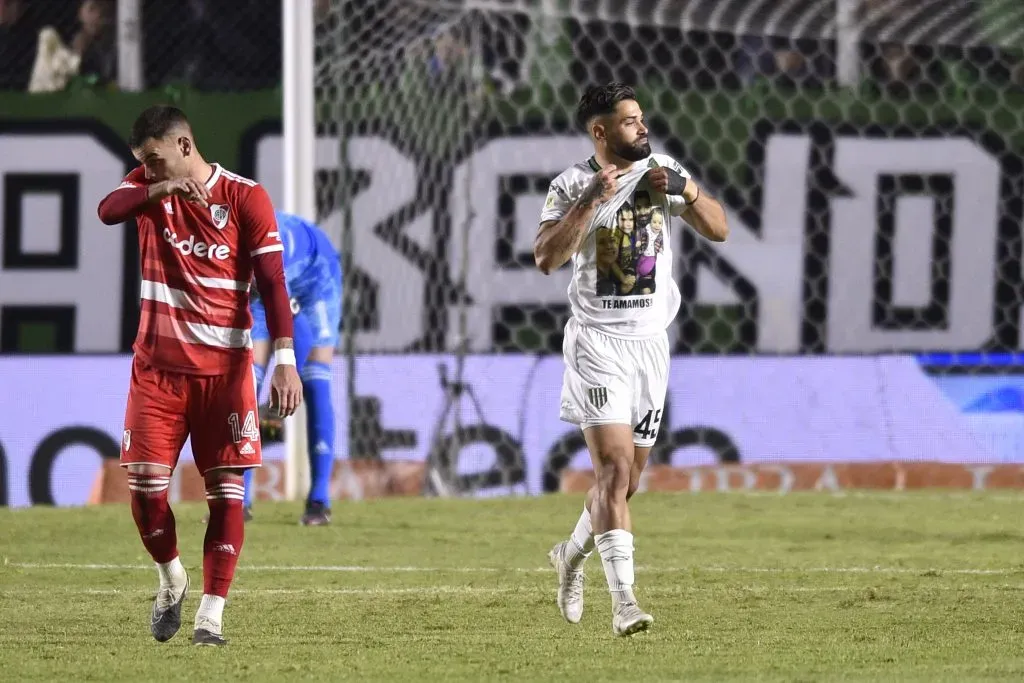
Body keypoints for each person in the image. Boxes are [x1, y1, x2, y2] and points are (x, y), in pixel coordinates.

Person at [96, 105, 302, 647]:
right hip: (157, 373)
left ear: (184, 146)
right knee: (145, 492)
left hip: (225, 374)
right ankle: (172, 578)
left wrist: (285, 359)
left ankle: (211, 615)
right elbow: (107, 211)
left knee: (227, 495)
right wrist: (158, 188)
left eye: (155, 160)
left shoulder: (244, 197)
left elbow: (273, 283)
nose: (148, 169)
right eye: (142, 163)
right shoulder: (147, 187)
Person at [535, 83, 728, 636]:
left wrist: (688, 190)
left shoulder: (661, 172)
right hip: (597, 343)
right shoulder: (570, 184)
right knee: (614, 471)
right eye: (629, 121)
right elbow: (546, 257)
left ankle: (570, 556)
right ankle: (625, 604)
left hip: (650, 345)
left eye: (641, 118)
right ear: (600, 132)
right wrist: (590, 201)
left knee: (625, 484)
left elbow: (719, 228)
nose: (642, 128)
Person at [243, 211, 342, 526]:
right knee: (246, 385)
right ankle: (238, 502)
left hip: (316, 279)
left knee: (314, 379)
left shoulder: (274, 249)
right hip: (262, 287)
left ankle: (319, 501)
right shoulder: (219, 243)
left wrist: (285, 383)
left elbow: (292, 328)